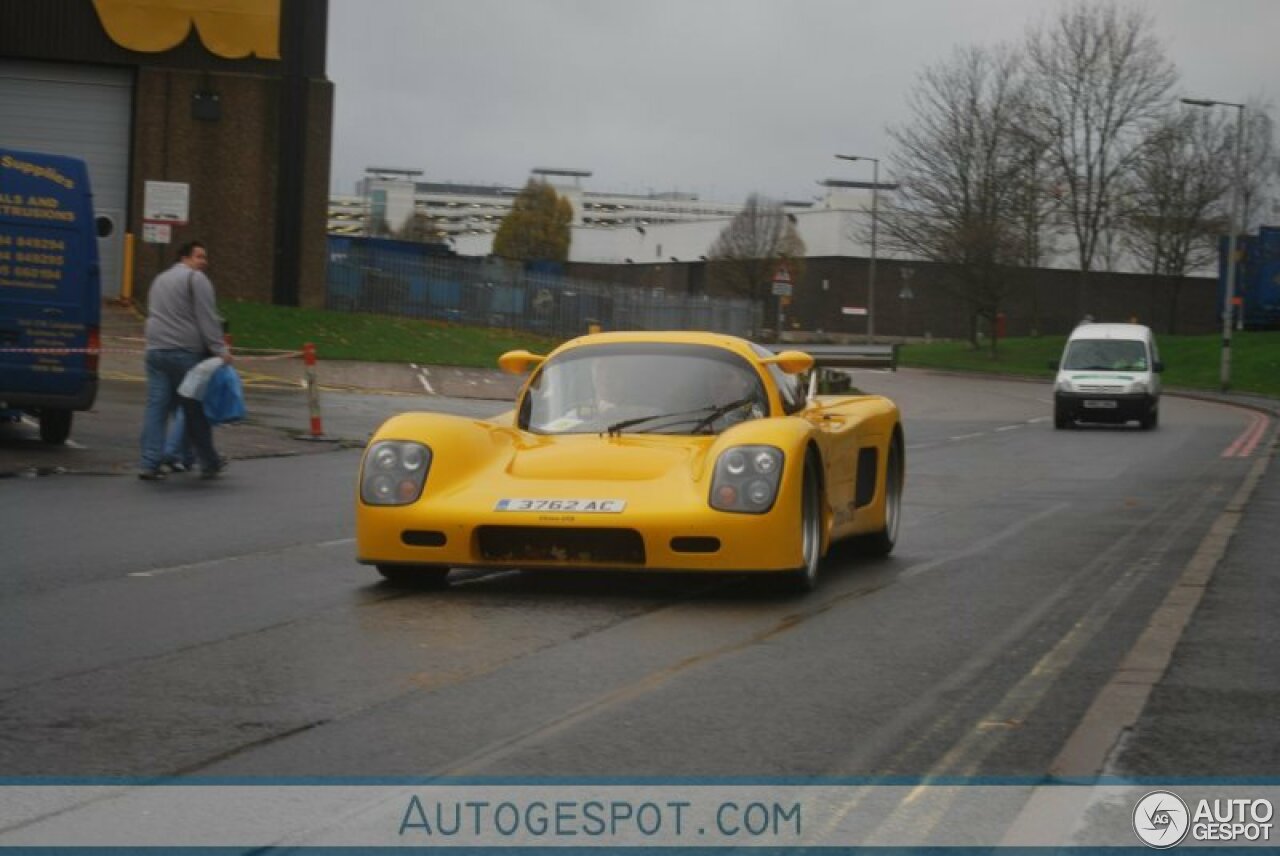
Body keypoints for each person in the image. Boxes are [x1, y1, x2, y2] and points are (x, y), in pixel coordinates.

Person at [137, 241, 231, 480]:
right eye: (199, 256)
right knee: (193, 408)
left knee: (157, 408)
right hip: (184, 352)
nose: (204, 262)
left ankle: (149, 463)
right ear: (184, 257)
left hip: (156, 351)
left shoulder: (159, 280)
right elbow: (206, 317)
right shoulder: (196, 280)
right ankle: (198, 459)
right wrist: (220, 349)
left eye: (205, 257)